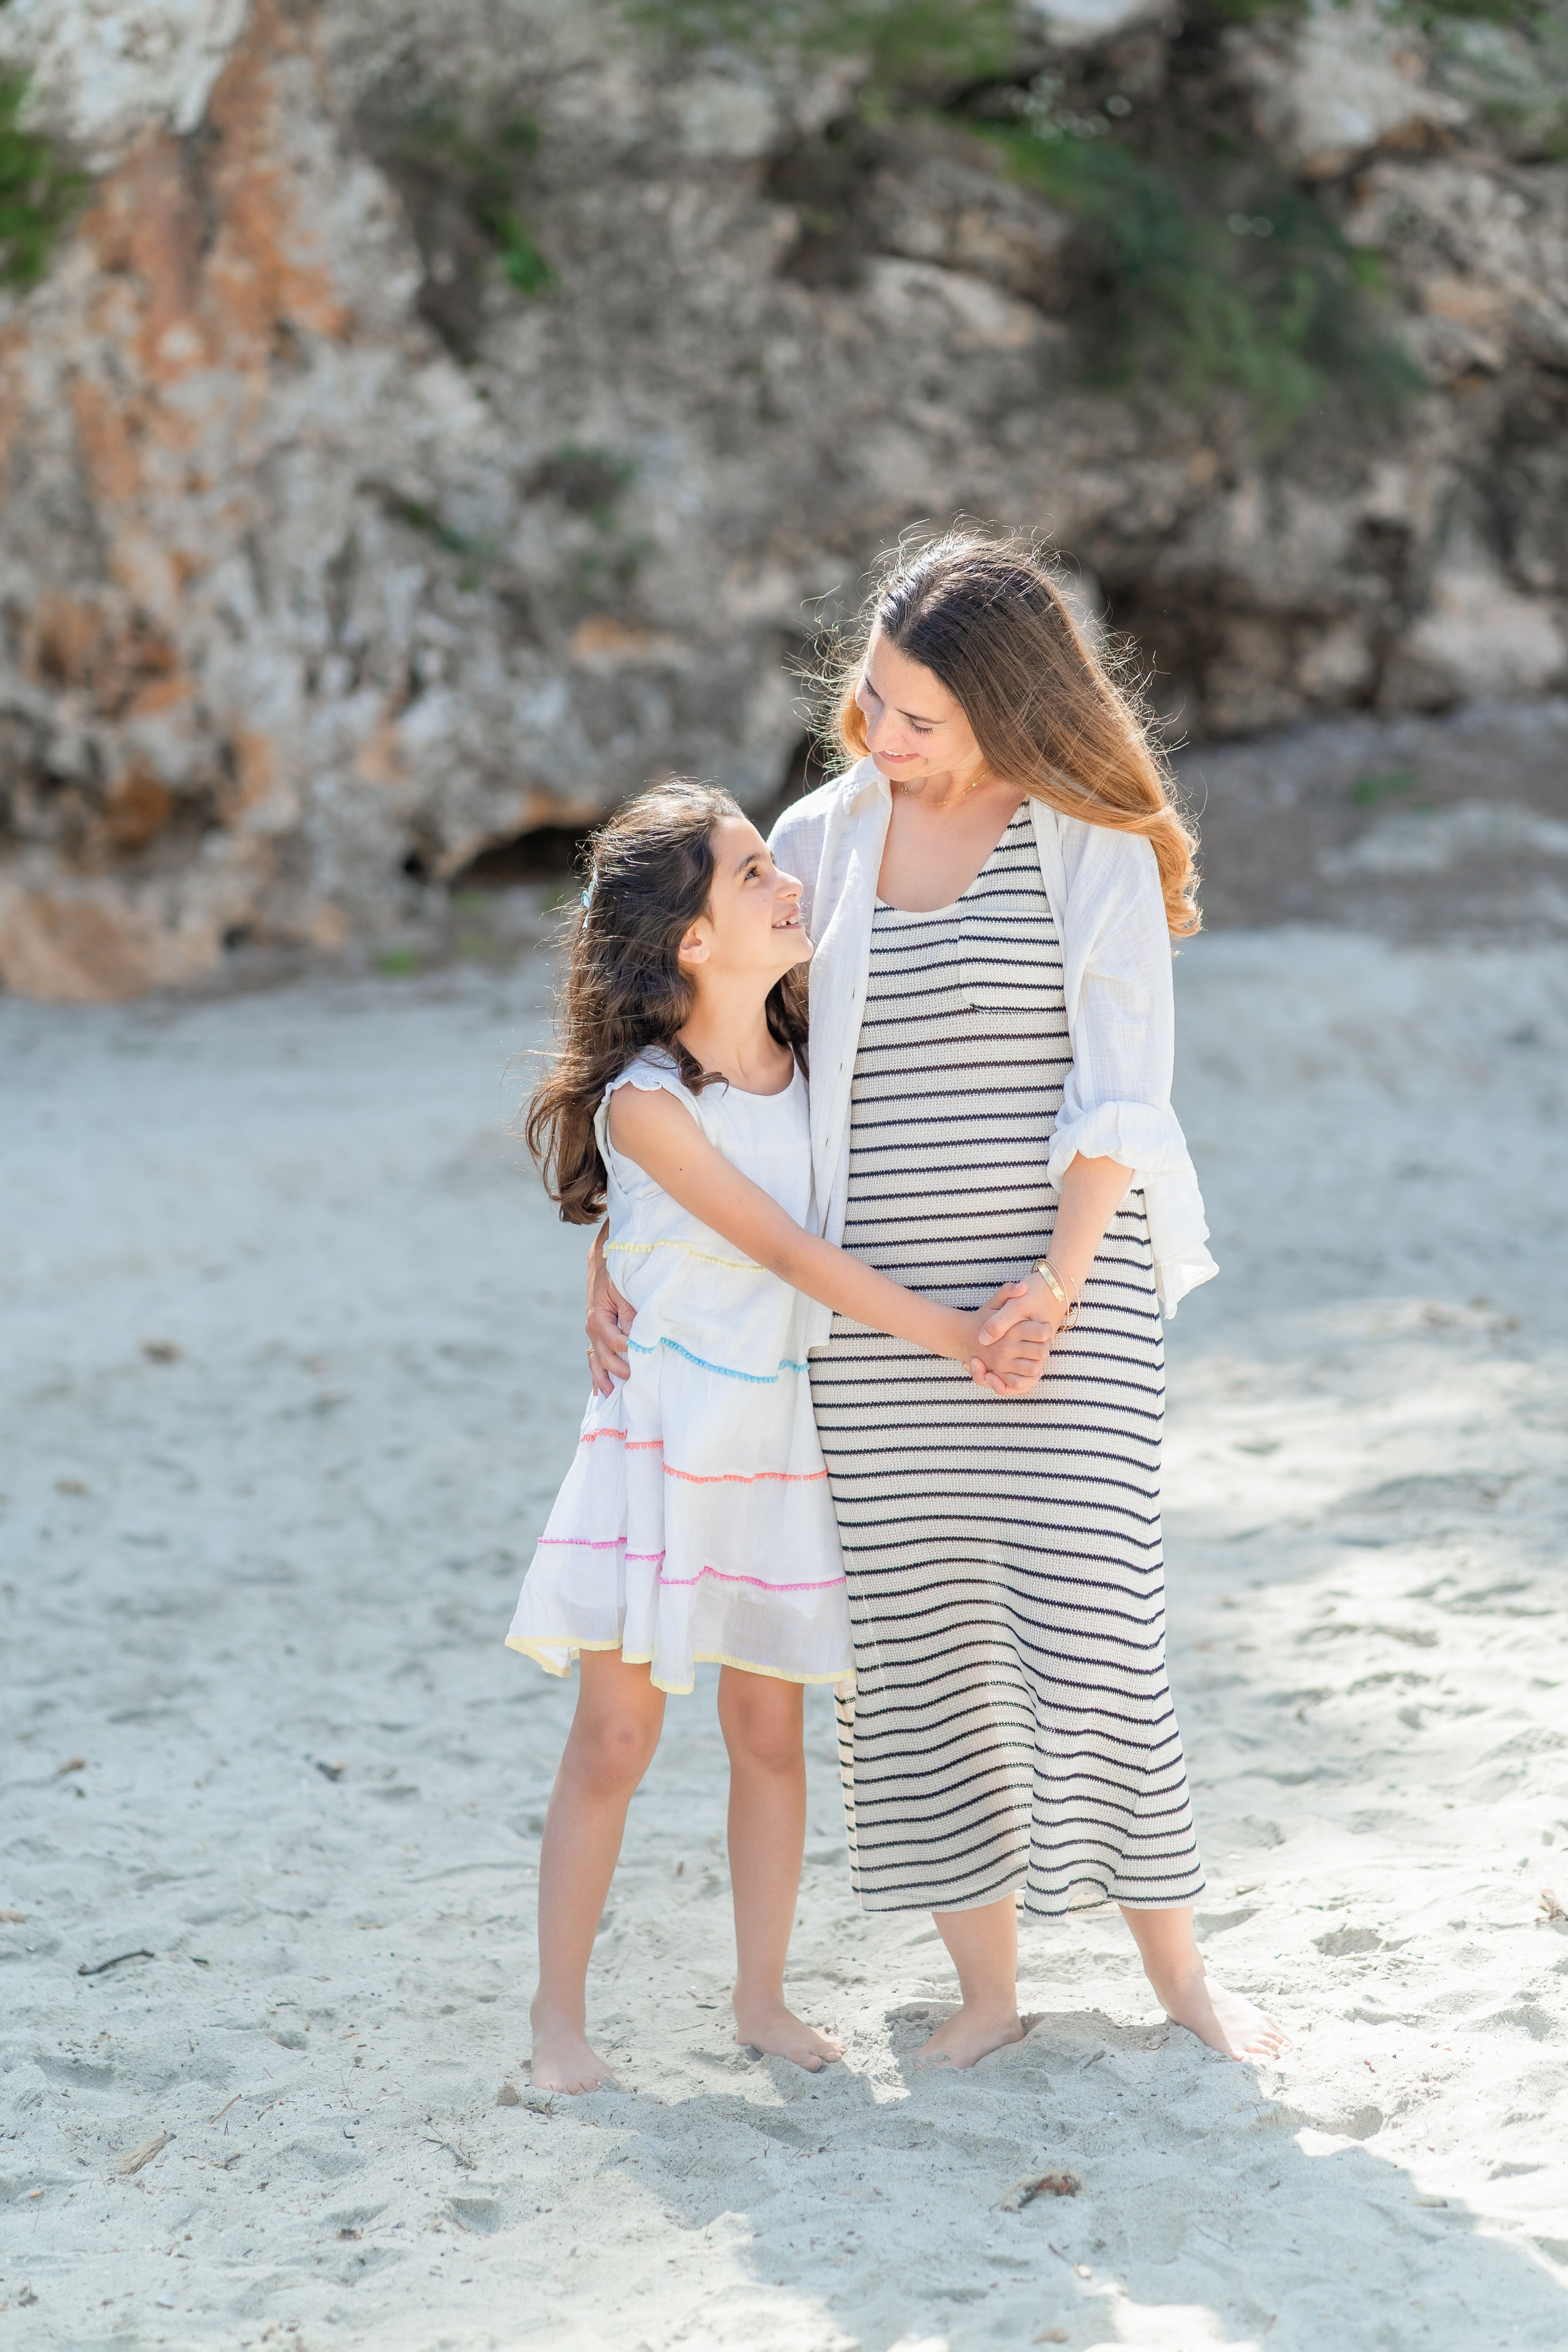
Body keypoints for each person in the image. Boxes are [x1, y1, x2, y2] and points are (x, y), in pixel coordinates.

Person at [587, 533, 1291, 2066]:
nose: (880, 735)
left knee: (1098, 1625)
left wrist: (1051, 1279)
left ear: (1006, 707)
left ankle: (1180, 1975)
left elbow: (1122, 1088)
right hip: (872, 1326)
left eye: (918, 715)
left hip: (1066, 1292)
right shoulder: (823, 839)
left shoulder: (1083, 840)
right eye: (874, 697)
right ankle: (987, 1989)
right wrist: (615, 1244)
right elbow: (723, 1074)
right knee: (923, 1646)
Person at [513, 780, 1050, 2095]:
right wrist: (960, 1335)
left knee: (769, 1734)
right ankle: (556, 2022)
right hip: (664, 1435)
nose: (785, 883)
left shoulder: (813, 1061)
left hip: (775, 1438)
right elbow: (785, 1249)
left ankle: (760, 1997)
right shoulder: (647, 1102)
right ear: (691, 941)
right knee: (614, 1742)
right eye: (752, 873)